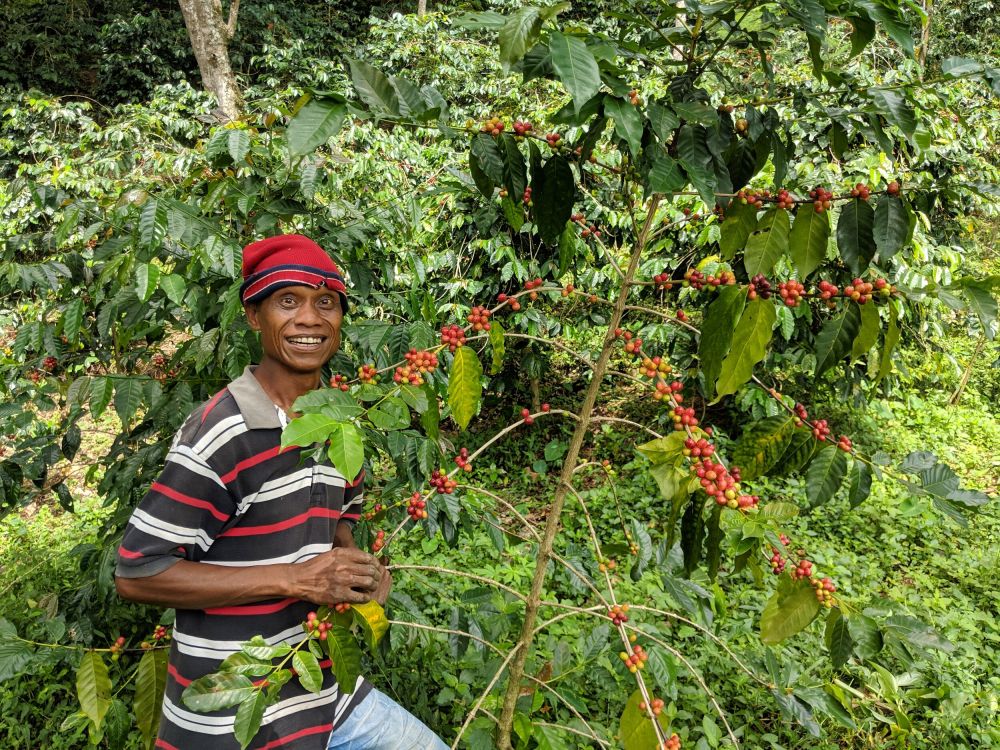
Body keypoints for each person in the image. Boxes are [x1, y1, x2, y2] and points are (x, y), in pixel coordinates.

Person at [115, 234, 448, 750]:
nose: (310, 319)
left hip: (321, 691)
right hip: (230, 708)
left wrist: (356, 565)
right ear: (254, 316)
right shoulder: (221, 432)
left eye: (326, 303)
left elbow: (342, 516)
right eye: (287, 301)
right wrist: (296, 580)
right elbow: (138, 574)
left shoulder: (341, 418)